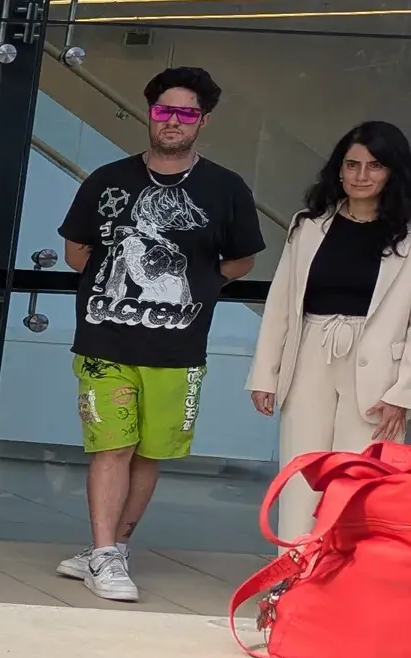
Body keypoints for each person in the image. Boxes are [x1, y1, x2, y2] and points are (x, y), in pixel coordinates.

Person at [56, 65, 264, 602]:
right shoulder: (107, 180)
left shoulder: (226, 187)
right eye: (163, 110)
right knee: (112, 447)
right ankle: (104, 554)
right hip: (105, 342)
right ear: (149, 114)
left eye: (185, 113)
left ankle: (114, 548)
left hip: (178, 345)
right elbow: (76, 252)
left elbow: (241, 259)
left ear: (203, 121)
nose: (172, 121)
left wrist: (199, 282)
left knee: (149, 453)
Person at [247, 120, 411, 539]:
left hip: (378, 369)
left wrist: (402, 394)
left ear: (393, 172)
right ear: (338, 169)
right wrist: (266, 373)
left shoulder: (407, 236)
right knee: (300, 471)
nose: (361, 175)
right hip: (310, 353)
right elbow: (282, 303)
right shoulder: (309, 225)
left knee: (358, 480)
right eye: (352, 164)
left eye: (374, 166)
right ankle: (292, 579)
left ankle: (341, 586)